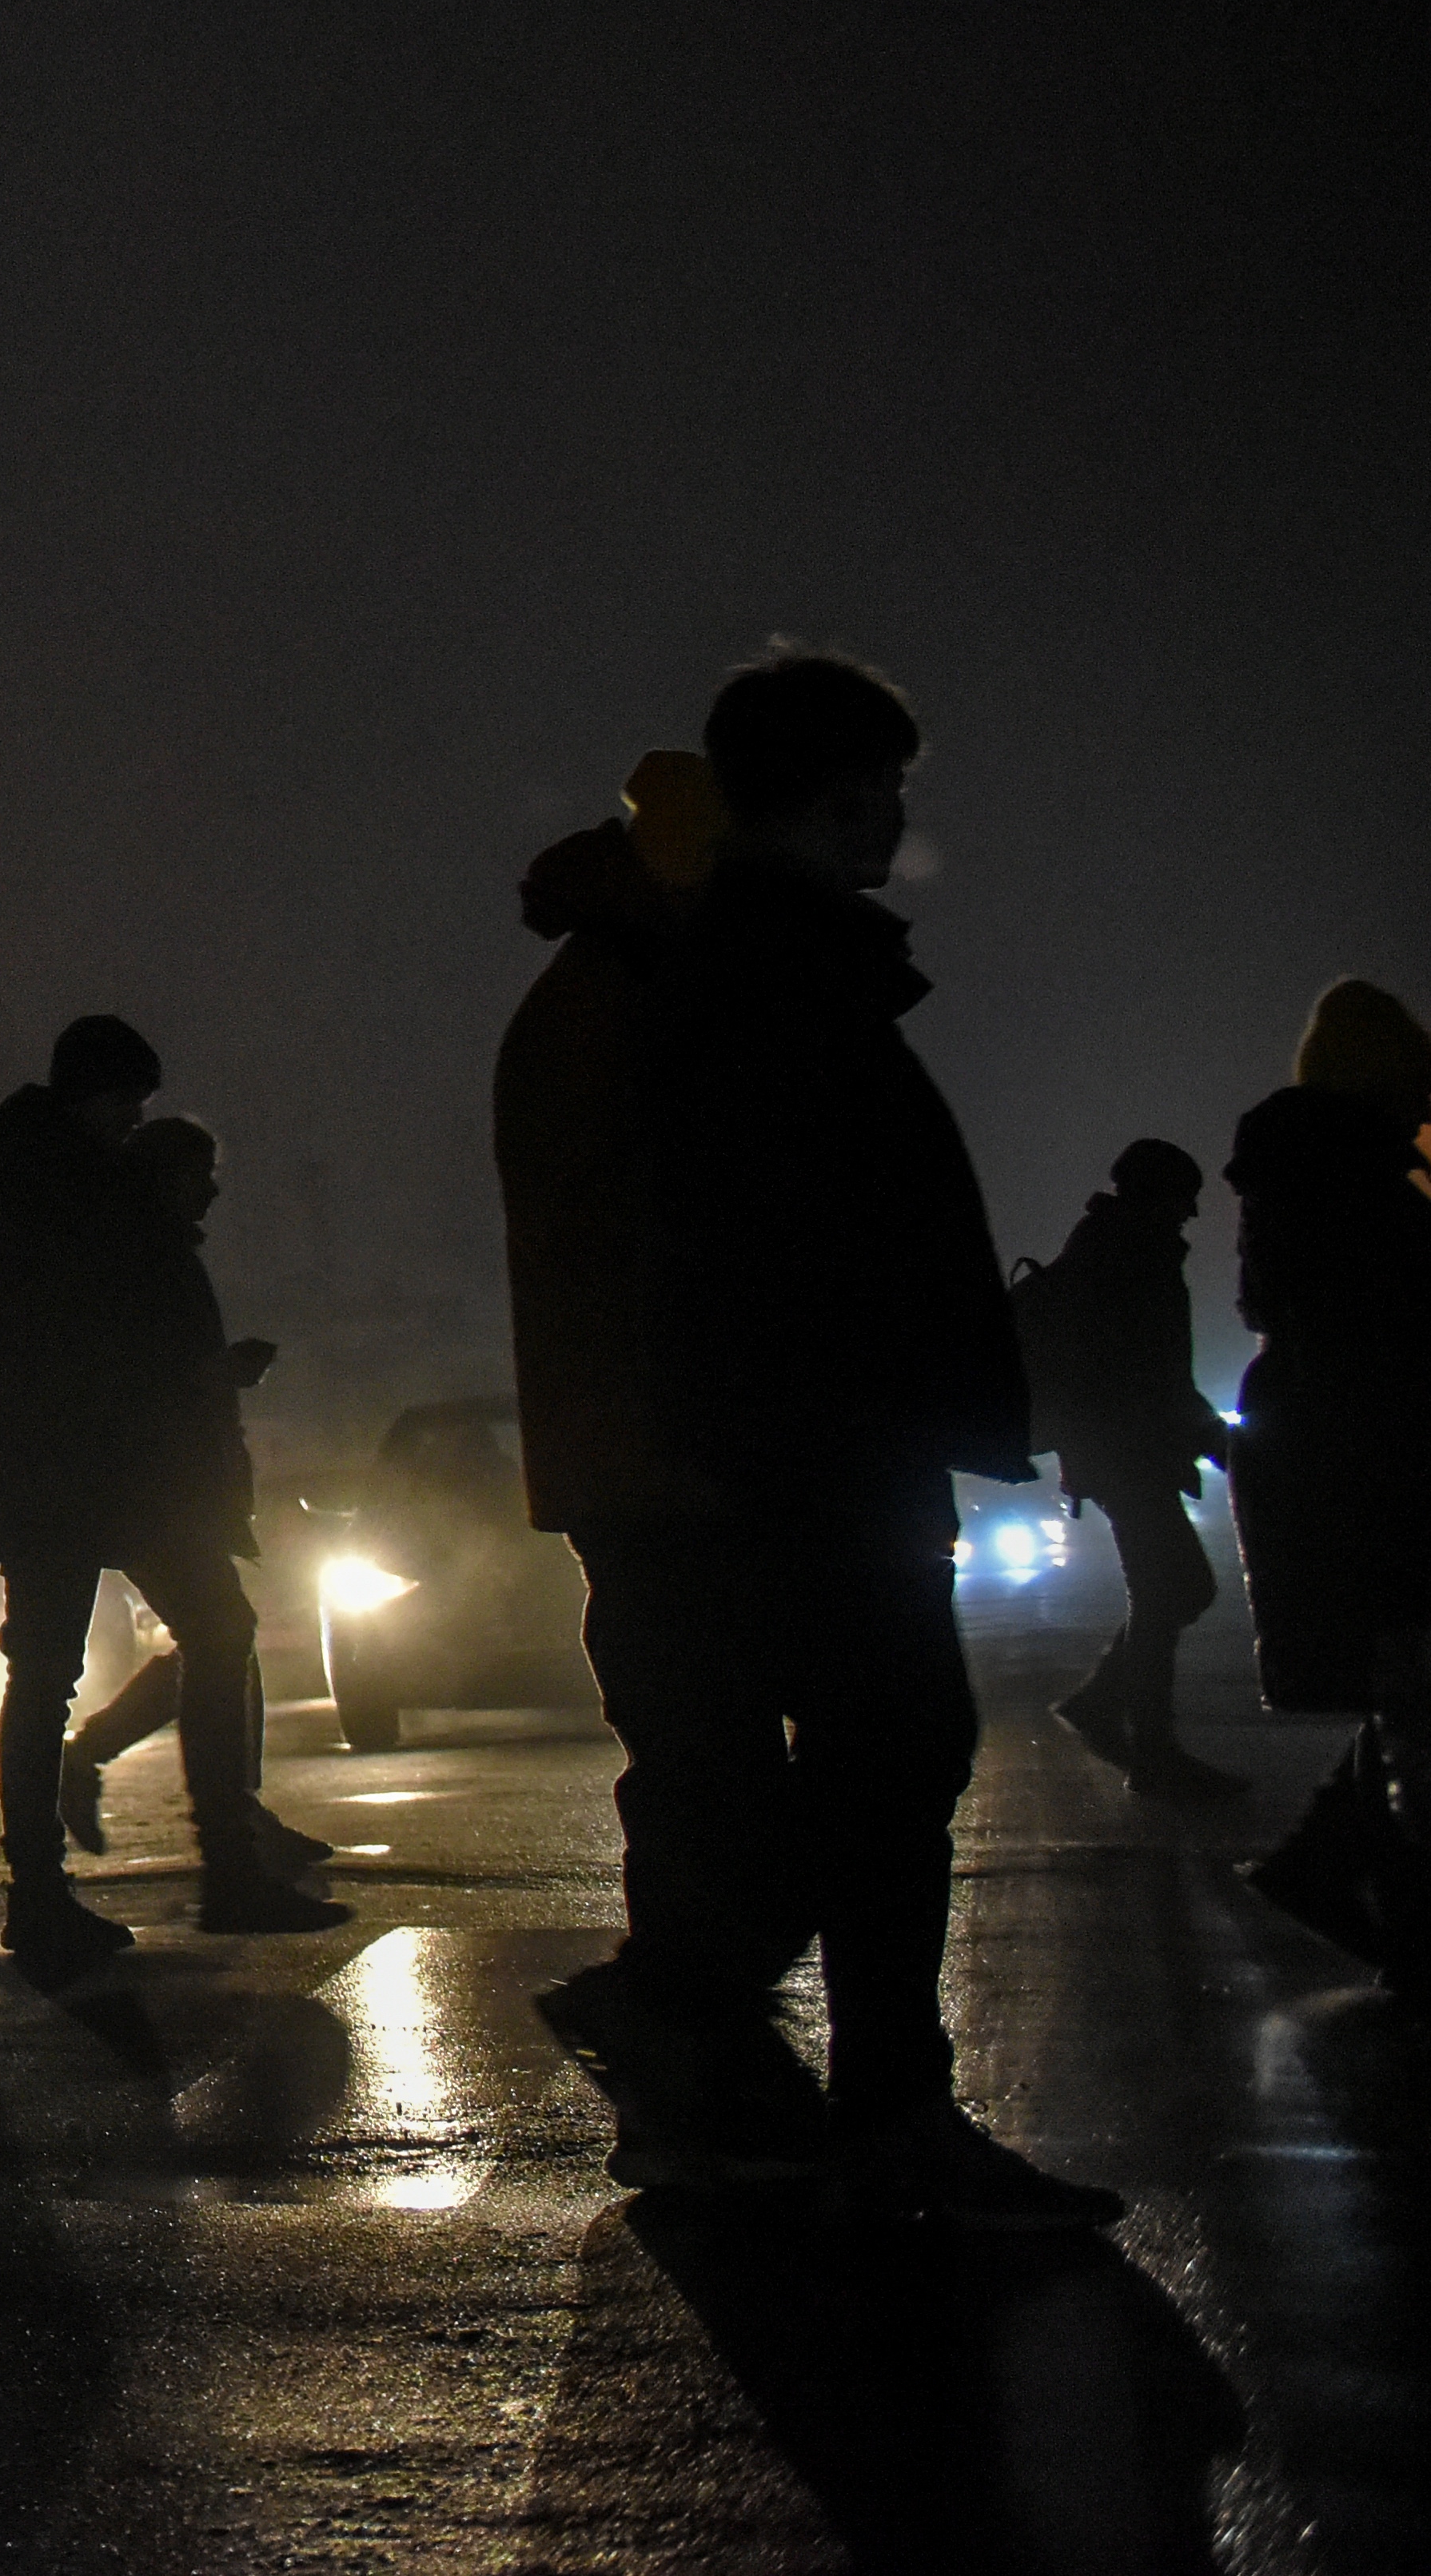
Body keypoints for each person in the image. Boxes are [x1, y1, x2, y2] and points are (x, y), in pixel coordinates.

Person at [537, 652, 1114, 2226]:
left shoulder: (749, 969)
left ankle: (796, 2057)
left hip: (799, 1442)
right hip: (818, 1449)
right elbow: (794, 1238)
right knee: (884, 1761)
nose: (897, 824)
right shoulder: (778, 977)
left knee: (875, 1765)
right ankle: (752, 2035)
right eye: (885, 792)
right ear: (837, 791)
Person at [0, 1025, 337, 1965]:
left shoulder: (2, 1184)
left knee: (45, 1677)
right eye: (126, 1102)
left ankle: (41, 1891)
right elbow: (116, 1330)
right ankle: (223, 1869)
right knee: (209, 1631)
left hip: (46, 1466)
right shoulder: (93, 1190)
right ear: (95, 1096)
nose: (134, 1121)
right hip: (115, 1466)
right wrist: (193, 1377)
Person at [1222, 984, 1431, 1982]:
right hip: (1385, 1480)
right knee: (1428, 1700)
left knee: (1414, 1693)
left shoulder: (1303, 1189)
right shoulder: (1357, 1198)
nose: (1426, 1112)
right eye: (1416, 1088)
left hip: (1342, 1470)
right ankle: (1422, 1935)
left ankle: (1336, 1872)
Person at [1014, 1140, 1238, 1800]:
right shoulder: (1128, 1257)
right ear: (1156, 1194)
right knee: (1174, 1586)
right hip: (1124, 1454)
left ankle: (1103, 1708)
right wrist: (1211, 1439)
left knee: (1178, 1587)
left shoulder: (1110, 1249)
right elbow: (1147, 1375)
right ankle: (1153, 1752)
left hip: (1118, 1453)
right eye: (1184, 1196)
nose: (1193, 1212)